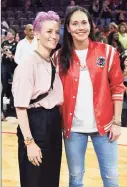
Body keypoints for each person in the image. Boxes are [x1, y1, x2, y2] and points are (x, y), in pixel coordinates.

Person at [53, 6, 125, 187]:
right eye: (74, 23)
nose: (80, 27)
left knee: (111, 177)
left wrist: (117, 122)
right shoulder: (58, 57)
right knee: (76, 178)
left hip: (106, 126)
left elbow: (117, 87)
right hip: (73, 128)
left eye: (84, 22)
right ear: (67, 28)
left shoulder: (107, 52)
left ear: (91, 25)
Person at [12, 11, 63, 187]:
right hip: (36, 123)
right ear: (37, 33)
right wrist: (29, 142)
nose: (54, 36)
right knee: (34, 178)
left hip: (54, 122)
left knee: (50, 178)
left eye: (57, 32)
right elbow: (20, 107)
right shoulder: (28, 63)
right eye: (49, 31)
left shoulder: (51, 62)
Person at [1, 28, 17, 120]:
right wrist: (4, 52)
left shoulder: (16, 44)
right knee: (5, 87)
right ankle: (4, 109)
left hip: (12, 67)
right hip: (4, 66)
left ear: (13, 35)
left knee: (13, 88)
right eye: (7, 34)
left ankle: (13, 108)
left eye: (10, 33)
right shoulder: (4, 43)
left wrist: (11, 55)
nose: (8, 35)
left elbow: (16, 56)